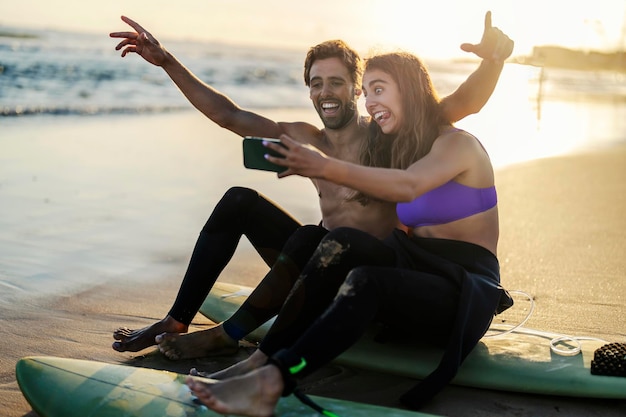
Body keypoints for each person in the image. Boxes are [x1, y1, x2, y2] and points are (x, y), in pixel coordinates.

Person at [109, 13, 514, 358]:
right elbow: (229, 116)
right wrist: (166, 62)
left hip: (372, 275)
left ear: (357, 88)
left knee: (307, 237)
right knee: (240, 202)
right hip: (318, 266)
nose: (326, 92)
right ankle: (177, 319)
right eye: (317, 83)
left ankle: (230, 338)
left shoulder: (390, 133)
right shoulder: (305, 138)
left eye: (336, 82)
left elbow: (462, 102)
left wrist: (493, 61)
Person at [185, 50, 511, 415]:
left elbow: (407, 185)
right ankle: (261, 362)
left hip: (462, 292)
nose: (370, 103)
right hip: (416, 271)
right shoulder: (402, 144)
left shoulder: (458, 145)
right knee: (339, 242)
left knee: (367, 280)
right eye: (368, 92)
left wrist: (494, 60)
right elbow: (229, 116)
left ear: (409, 90)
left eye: (379, 89)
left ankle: (276, 378)